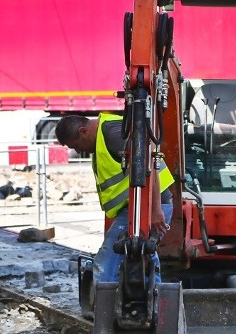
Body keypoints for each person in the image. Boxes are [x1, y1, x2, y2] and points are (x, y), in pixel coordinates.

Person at [55, 114, 174, 291]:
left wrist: (155, 210)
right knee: (145, 257)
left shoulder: (112, 134)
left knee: (107, 263)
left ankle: (104, 310)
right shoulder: (107, 133)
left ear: (83, 131)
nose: (78, 152)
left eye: (76, 146)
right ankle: (153, 307)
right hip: (140, 206)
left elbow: (148, 167)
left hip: (147, 207)